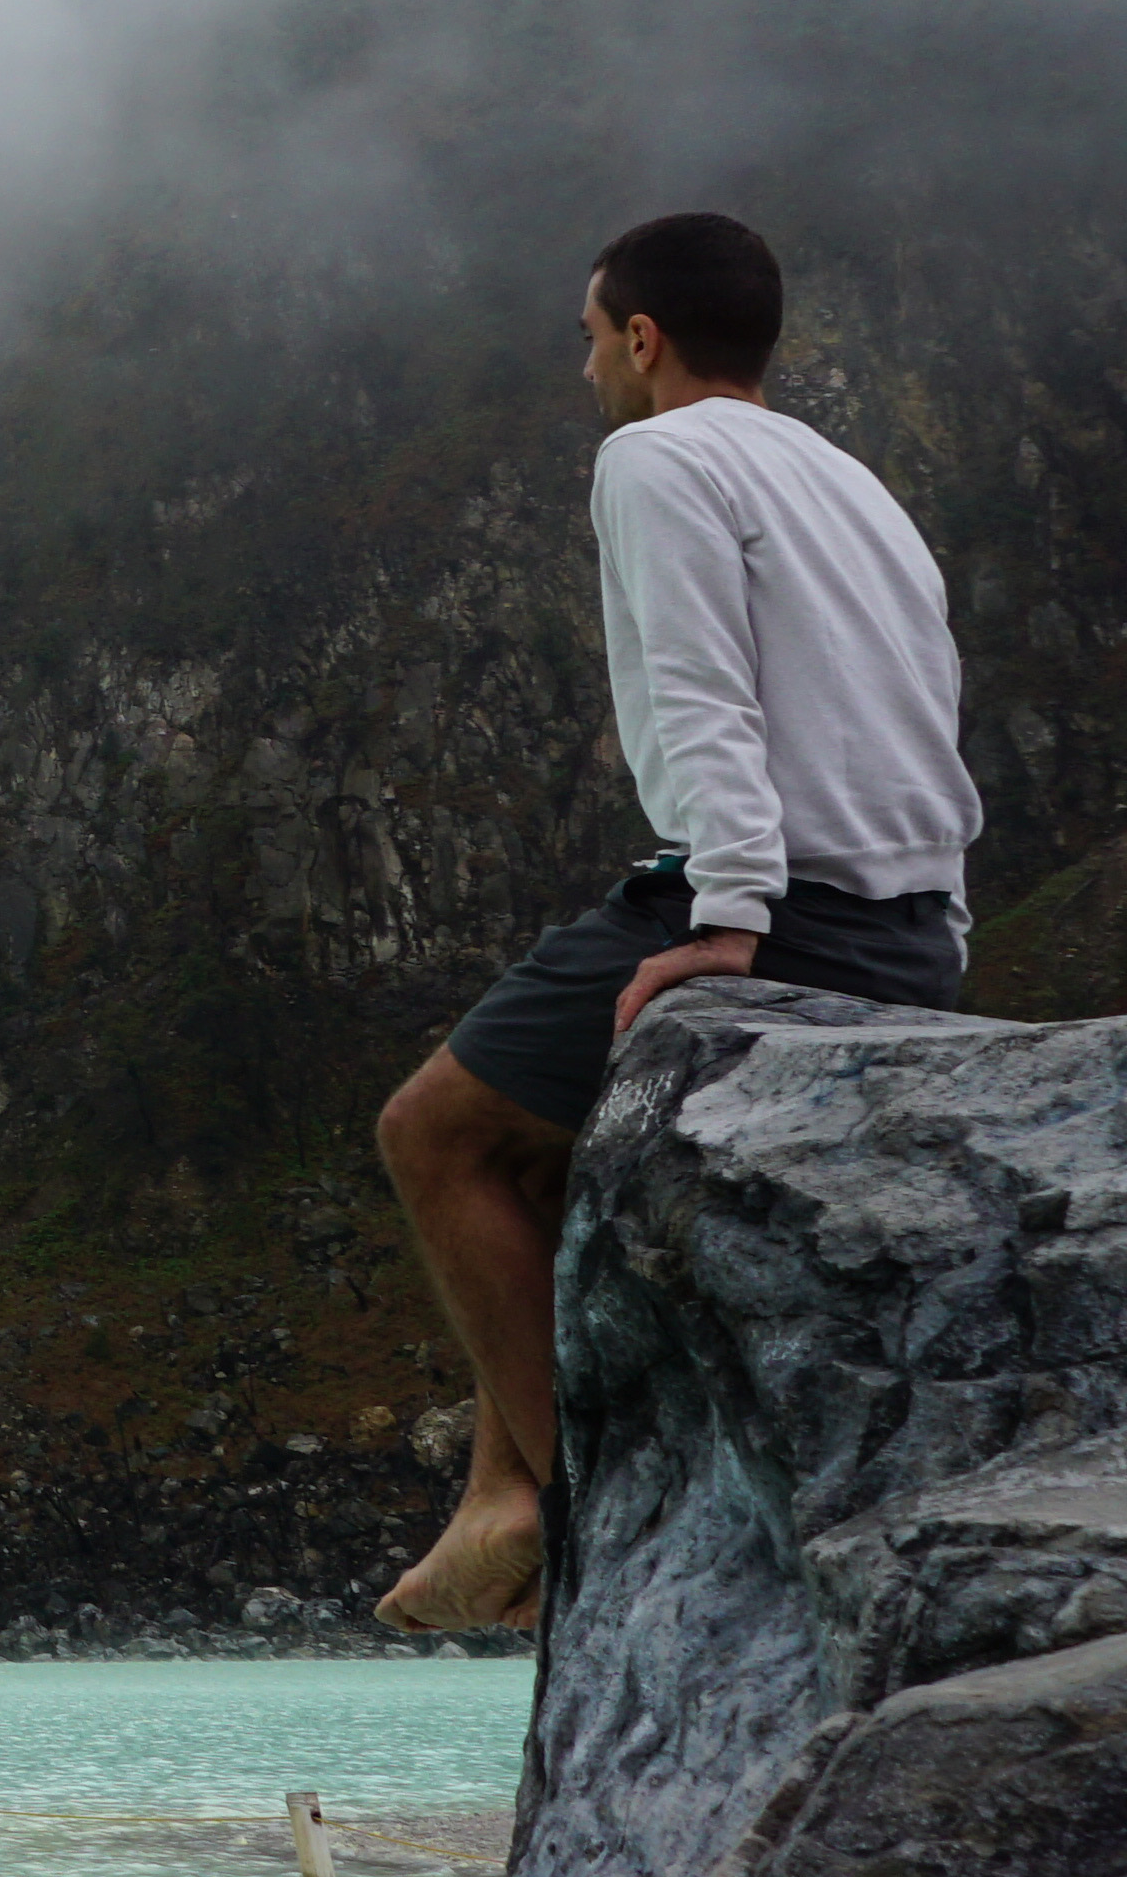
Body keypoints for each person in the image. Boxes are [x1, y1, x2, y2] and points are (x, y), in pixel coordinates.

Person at [371, 213, 983, 1633]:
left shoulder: (656, 458)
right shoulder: (852, 483)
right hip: (913, 925)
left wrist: (727, 915)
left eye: (592, 339)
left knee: (435, 1134)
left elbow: (706, 692)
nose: (586, 366)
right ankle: (494, 1493)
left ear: (642, 340)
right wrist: (933, 920)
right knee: (538, 1140)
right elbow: (923, 707)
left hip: (782, 902)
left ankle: (576, 1512)